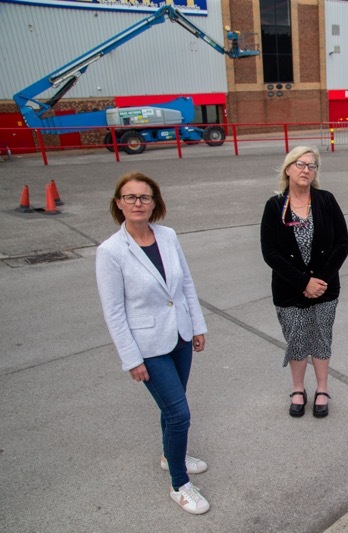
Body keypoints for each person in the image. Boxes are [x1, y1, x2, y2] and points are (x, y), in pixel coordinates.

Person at [96, 171, 210, 515]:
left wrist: (197, 325)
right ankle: (179, 484)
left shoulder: (167, 235)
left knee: (172, 409)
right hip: (147, 345)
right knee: (179, 413)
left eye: (144, 197)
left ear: (155, 203)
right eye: (130, 197)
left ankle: (169, 455)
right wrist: (131, 358)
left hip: (179, 335)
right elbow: (113, 311)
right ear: (119, 204)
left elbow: (185, 283)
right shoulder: (111, 251)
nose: (138, 203)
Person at [260, 146, 348, 418]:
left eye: (312, 166)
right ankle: (298, 389)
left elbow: (342, 244)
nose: (306, 170)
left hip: (325, 288)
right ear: (288, 169)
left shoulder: (326, 200)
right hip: (289, 289)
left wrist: (318, 281)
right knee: (296, 338)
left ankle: (322, 388)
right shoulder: (275, 206)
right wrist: (303, 283)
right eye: (300, 164)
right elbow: (270, 252)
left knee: (321, 336)